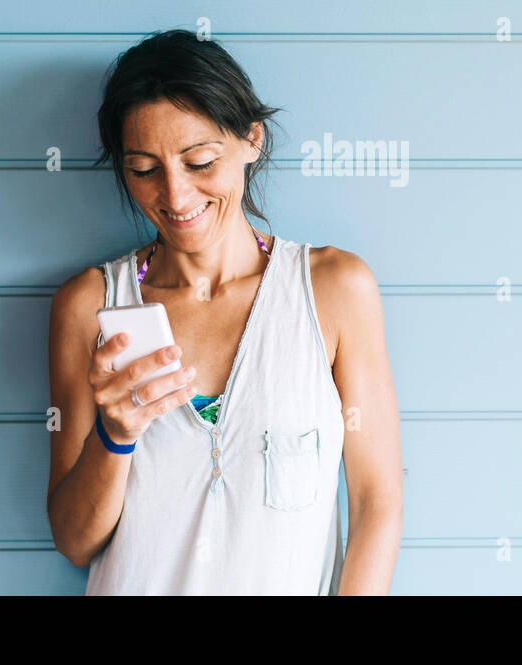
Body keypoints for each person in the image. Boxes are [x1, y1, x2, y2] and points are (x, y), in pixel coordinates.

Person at [46, 29, 403, 594]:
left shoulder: (335, 290)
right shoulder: (90, 306)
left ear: (251, 139)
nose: (176, 195)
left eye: (200, 161)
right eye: (143, 169)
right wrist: (115, 435)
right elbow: (74, 541)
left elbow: (375, 503)